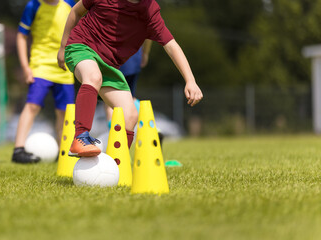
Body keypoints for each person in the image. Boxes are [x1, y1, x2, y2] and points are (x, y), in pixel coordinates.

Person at [57, 0, 203, 157]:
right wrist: (63, 46)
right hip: (81, 46)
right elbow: (75, 12)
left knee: (131, 115)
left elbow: (171, 45)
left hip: (109, 66)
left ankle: (117, 166)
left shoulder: (149, 11)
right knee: (93, 76)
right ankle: (80, 137)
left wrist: (191, 81)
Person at [12, 0, 76, 164]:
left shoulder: (69, 4)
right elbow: (21, 35)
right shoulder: (34, 5)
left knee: (65, 112)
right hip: (40, 65)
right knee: (33, 105)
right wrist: (25, 67)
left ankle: (63, 150)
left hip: (64, 66)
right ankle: (18, 150)